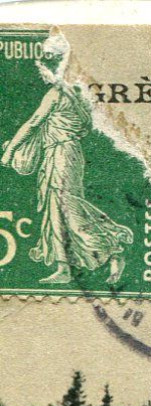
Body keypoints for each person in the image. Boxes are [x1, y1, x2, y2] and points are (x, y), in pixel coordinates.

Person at [2, 47, 133, 285]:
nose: (43, 73)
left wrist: (10, 152)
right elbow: (82, 127)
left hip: (61, 154)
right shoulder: (79, 97)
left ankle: (111, 247)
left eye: (46, 68)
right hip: (69, 153)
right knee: (61, 209)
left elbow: (32, 123)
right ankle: (70, 266)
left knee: (65, 209)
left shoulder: (56, 94)